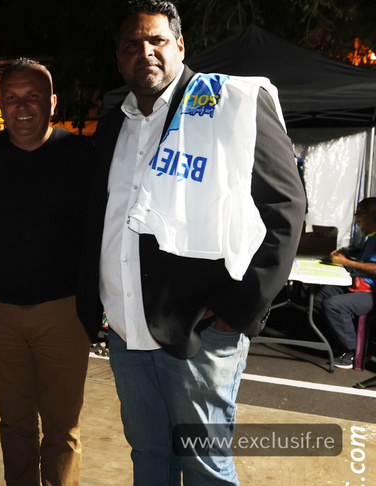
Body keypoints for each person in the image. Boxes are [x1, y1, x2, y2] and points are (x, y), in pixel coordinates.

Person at [89, 1, 306, 484]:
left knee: (204, 465)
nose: (143, 51)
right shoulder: (114, 124)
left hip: (200, 332)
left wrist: (235, 313)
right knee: (148, 455)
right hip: (126, 331)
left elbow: (285, 211)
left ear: (180, 46)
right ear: (119, 56)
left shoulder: (228, 103)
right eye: (131, 44)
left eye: (156, 40)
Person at [0, 58, 98, 486]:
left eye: (33, 96)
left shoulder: (81, 156)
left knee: (62, 429)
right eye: (12, 98)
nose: (22, 106)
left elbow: (100, 235)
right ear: (1, 104)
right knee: (15, 425)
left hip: (64, 313)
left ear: (52, 102)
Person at [314, 197, 376, 369]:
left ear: (373, 214)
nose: (356, 216)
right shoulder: (369, 236)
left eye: (360, 212)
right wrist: (345, 257)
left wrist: (347, 262)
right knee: (320, 297)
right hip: (358, 285)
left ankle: (354, 352)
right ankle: (340, 341)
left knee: (334, 305)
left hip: (371, 293)